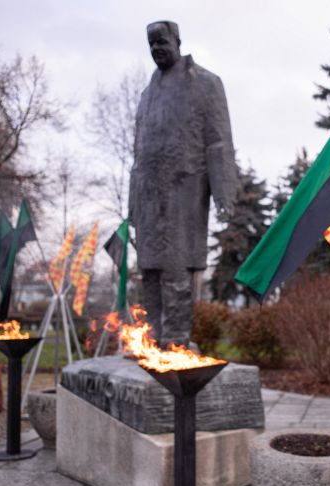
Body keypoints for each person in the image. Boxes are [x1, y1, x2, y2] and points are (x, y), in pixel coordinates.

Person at [129, 20, 237, 348]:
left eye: (162, 42)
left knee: (176, 267)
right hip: (148, 192)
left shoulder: (205, 83)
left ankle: (175, 341)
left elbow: (218, 141)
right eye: (152, 45)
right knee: (149, 269)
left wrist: (223, 190)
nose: (157, 49)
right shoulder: (147, 94)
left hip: (184, 189)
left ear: (177, 41)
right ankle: (151, 338)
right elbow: (137, 151)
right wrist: (132, 204)